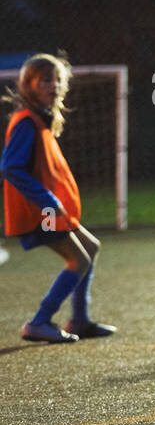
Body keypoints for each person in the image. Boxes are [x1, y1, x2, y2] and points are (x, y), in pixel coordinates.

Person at [2, 53, 115, 343]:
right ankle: (39, 321)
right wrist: (47, 199)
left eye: (56, 80)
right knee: (78, 259)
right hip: (41, 212)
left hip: (49, 209)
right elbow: (10, 167)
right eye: (45, 80)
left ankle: (79, 320)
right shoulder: (27, 122)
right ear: (29, 85)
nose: (53, 85)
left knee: (90, 248)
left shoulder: (42, 120)